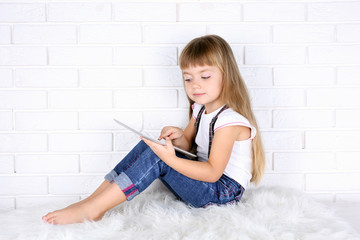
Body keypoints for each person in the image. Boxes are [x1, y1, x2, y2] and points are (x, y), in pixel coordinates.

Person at [42, 35, 265, 225]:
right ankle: (93, 201)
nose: (195, 84)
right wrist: (177, 137)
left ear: (227, 76)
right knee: (150, 146)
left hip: (222, 193)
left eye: (205, 77)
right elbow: (187, 143)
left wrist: (169, 158)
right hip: (207, 184)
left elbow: (212, 172)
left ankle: (93, 209)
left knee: (159, 157)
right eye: (188, 78)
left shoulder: (230, 121)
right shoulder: (200, 110)